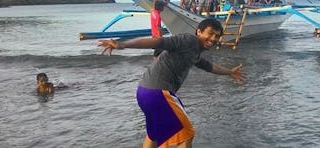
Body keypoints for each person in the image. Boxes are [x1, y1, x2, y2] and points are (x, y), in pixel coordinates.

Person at [97, 18, 245, 148]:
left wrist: (229, 72)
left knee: (153, 136)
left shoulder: (194, 52)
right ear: (198, 32)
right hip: (158, 92)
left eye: (217, 36)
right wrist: (123, 45)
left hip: (144, 92)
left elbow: (209, 66)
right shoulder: (188, 40)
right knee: (186, 134)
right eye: (210, 33)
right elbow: (157, 42)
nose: (213, 39)